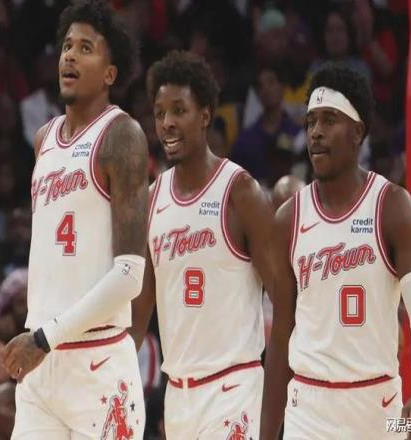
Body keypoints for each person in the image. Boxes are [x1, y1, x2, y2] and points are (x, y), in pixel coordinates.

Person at [260, 63, 411, 439]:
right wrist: (265, 434)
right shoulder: (288, 219)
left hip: (377, 406)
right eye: (311, 121)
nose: (316, 132)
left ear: (358, 131)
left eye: (329, 120)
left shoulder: (392, 207)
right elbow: (280, 336)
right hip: (308, 410)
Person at [1, 1, 149, 438]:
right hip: (42, 366)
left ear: (110, 73)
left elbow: (130, 275)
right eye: (67, 46)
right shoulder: (43, 139)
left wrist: (46, 337)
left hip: (96, 361)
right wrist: (41, 337)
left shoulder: (122, 135)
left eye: (86, 48)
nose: (70, 55)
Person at [129, 50, 274, 439]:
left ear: (206, 115)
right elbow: (139, 312)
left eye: (179, 110)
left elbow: (285, 296)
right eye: (160, 113)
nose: (167, 122)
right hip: (178, 396)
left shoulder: (240, 192)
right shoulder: (151, 200)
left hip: (235, 389)